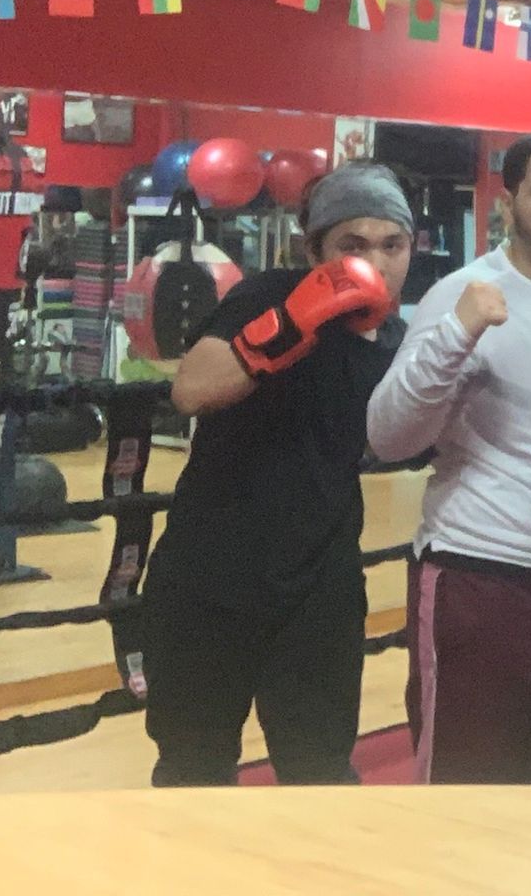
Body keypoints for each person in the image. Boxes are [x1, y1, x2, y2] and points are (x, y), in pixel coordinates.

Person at [367, 127, 531, 784]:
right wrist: (460, 332)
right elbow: (389, 436)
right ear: (509, 204)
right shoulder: (464, 292)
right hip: (479, 579)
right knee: (464, 794)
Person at [142, 162, 411, 786]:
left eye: (391, 245)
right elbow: (191, 389)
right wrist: (292, 326)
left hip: (320, 589)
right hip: (209, 578)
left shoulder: (400, 341)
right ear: (314, 249)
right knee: (192, 769)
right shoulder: (267, 295)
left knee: (319, 773)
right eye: (353, 245)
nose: (374, 261)